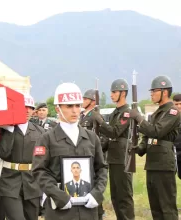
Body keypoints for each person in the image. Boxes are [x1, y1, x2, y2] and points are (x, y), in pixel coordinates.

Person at [31, 82, 108, 220]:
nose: (74, 110)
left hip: (88, 210)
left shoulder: (91, 138)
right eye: (69, 106)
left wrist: (97, 193)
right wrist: (59, 196)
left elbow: (101, 168)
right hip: (60, 211)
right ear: (58, 108)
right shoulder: (46, 139)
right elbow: (39, 171)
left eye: (78, 105)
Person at [130, 76, 179, 220]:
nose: (151, 94)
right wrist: (139, 148)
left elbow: (157, 131)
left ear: (164, 92)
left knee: (167, 208)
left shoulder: (172, 112)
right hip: (152, 164)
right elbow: (148, 136)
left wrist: (139, 118)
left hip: (164, 165)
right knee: (156, 208)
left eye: (154, 91)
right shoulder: (157, 113)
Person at [0, 94, 44, 220]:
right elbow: (2, 153)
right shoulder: (4, 130)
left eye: (30, 108)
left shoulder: (40, 132)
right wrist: (9, 131)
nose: (27, 110)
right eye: (24, 107)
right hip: (9, 181)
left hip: (32, 182)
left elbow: (44, 159)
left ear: (33, 111)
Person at [91, 79, 135, 220]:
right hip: (114, 158)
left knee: (124, 196)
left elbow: (115, 132)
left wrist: (100, 121)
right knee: (116, 197)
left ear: (123, 93)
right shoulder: (115, 112)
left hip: (123, 158)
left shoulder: (127, 113)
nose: (111, 95)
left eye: (114, 92)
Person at [80, 88, 108, 220]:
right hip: (82, 158)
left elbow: (104, 137)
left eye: (85, 99)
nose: (82, 101)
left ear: (92, 101)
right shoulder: (83, 116)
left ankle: (99, 214)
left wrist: (94, 151)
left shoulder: (96, 116)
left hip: (92, 157)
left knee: (95, 186)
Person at [172, 94, 181, 179]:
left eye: (180, 104)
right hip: (173, 152)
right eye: (176, 104)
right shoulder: (170, 118)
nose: (178, 106)